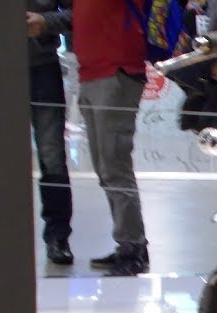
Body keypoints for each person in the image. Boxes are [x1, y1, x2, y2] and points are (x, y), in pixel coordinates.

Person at [74, 0, 153, 276]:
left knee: (114, 164)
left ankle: (132, 247)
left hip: (116, 71)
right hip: (92, 73)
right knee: (105, 166)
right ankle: (128, 241)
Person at [27, 1, 74, 266]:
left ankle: (58, 237)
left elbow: (77, 13)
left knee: (52, 154)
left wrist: (46, 22)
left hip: (43, 68)